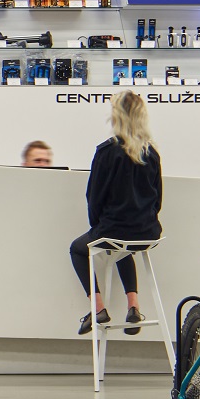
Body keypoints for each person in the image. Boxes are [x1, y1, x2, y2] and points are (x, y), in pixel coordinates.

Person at [73, 90, 162, 335]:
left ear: (116, 116)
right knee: (123, 248)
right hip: (147, 232)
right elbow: (157, 199)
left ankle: (98, 308)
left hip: (113, 229)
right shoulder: (152, 153)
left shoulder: (107, 152)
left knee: (78, 249)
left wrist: (97, 227)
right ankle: (134, 306)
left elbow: (93, 198)